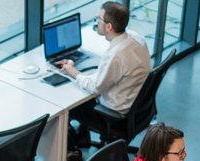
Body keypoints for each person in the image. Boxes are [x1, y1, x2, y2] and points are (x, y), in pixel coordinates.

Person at [58, 2, 152, 148]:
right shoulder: (136, 38)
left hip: (114, 115)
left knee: (69, 104)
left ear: (109, 27)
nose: (96, 21)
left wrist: (73, 72)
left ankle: (73, 149)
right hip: (138, 108)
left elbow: (96, 88)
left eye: (99, 19)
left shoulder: (116, 55)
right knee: (83, 90)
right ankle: (83, 140)